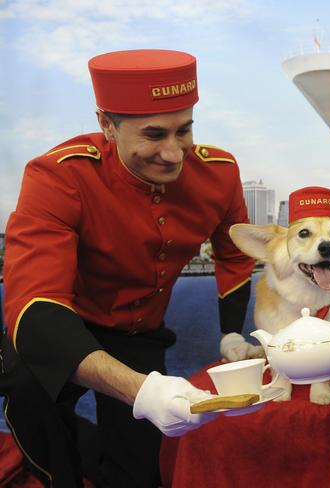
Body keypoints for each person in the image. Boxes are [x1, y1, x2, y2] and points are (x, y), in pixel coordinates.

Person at [0, 49, 257, 487]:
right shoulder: (58, 175)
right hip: (65, 326)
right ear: (106, 125)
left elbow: (234, 251)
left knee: (140, 470)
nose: (174, 153)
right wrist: (143, 390)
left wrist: (231, 330)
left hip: (140, 332)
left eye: (185, 130)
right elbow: (36, 304)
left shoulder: (220, 172)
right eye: (154, 135)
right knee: (35, 414)